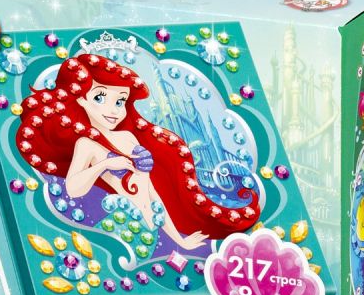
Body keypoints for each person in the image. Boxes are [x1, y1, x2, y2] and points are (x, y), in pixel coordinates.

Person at [15, 54, 260, 251]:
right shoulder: (87, 144)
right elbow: (73, 188)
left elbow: (152, 195)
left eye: (120, 101)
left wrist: (180, 240)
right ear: (81, 100)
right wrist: (104, 165)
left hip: (153, 230)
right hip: (124, 230)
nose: (114, 110)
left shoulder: (129, 138)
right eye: (100, 98)